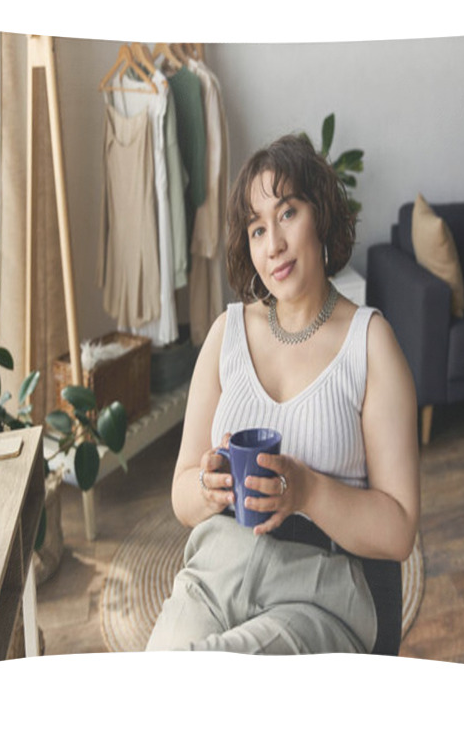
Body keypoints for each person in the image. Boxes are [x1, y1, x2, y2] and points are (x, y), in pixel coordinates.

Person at [146, 133, 420, 654]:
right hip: (216, 574)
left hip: (320, 593)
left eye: (287, 213)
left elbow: (399, 530)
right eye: (256, 228)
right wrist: (208, 488)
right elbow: (181, 496)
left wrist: (307, 492)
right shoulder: (226, 336)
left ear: (321, 214)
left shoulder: (371, 344)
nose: (272, 244)